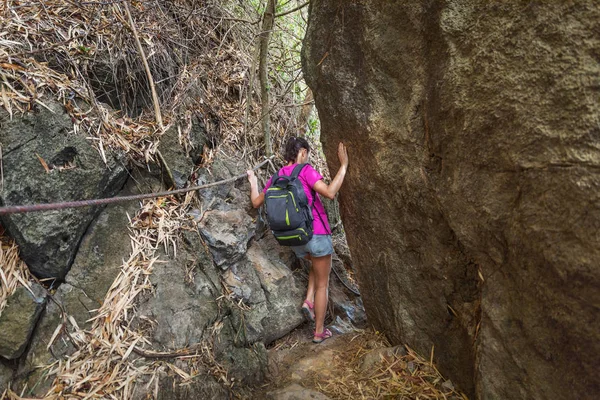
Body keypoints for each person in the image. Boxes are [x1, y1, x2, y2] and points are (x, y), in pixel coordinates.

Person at [247, 137, 348, 343]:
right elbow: (329, 192)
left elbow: (256, 202)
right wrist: (344, 165)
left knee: (315, 265)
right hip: (316, 233)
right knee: (323, 284)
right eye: (307, 153)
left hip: (294, 239)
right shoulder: (306, 171)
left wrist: (253, 182)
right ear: (302, 152)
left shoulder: (276, 176)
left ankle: (308, 301)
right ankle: (319, 331)